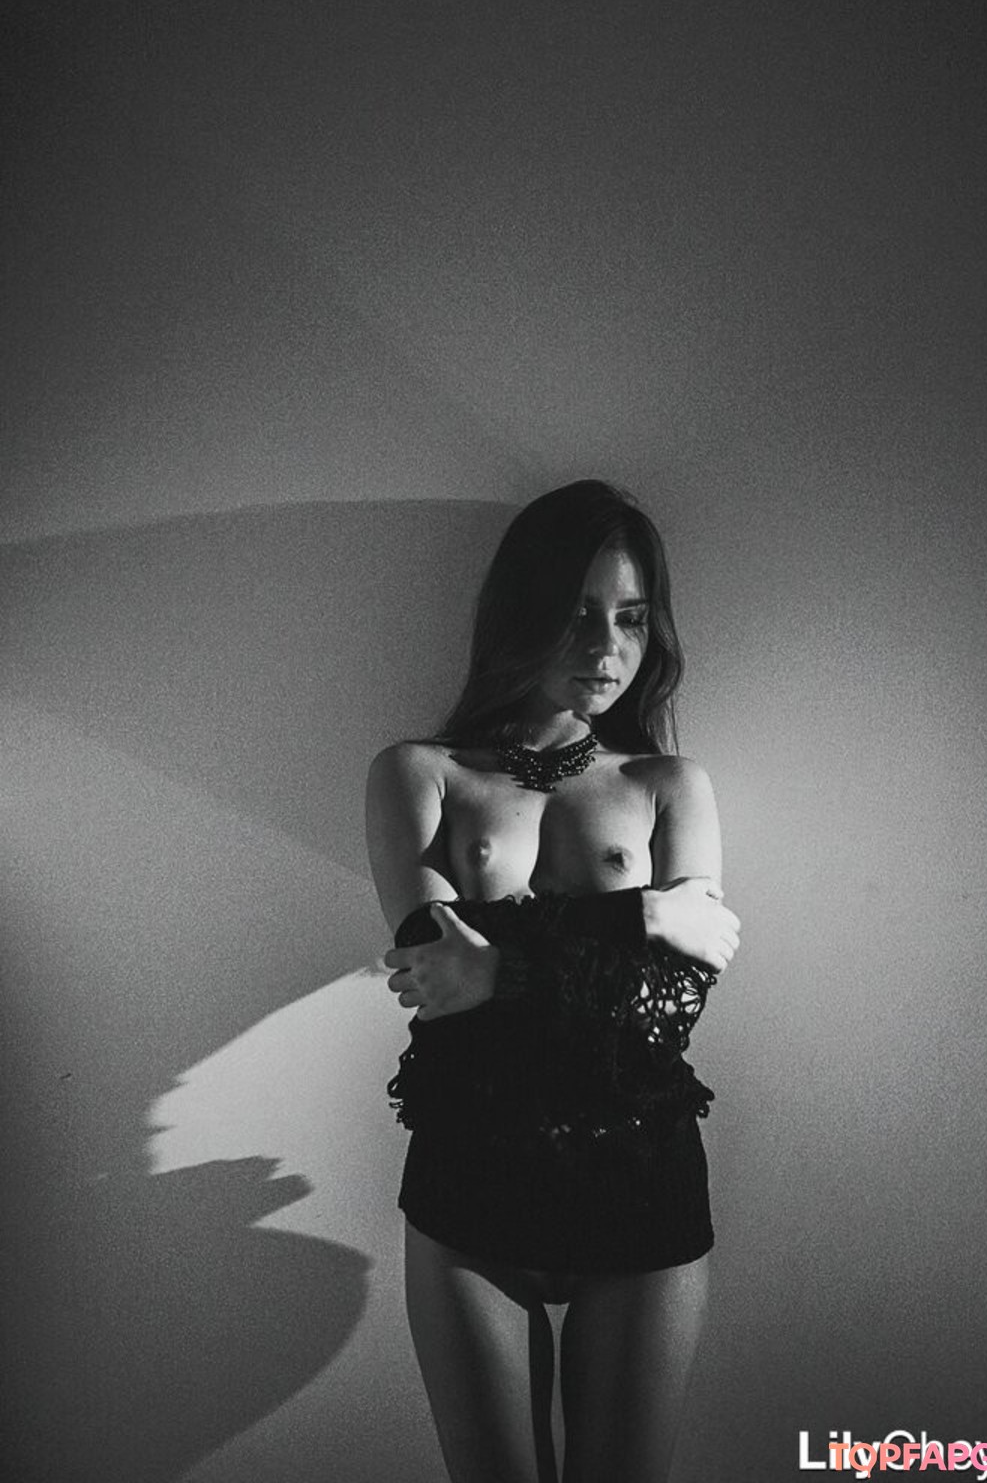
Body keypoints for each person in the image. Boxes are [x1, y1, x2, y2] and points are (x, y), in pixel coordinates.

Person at [365, 480, 741, 1483]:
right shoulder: (418, 773)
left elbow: (667, 1009)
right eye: (579, 615)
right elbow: (435, 969)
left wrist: (506, 965)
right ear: (521, 613)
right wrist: (644, 915)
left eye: (631, 618)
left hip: (640, 1181)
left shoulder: (669, 785)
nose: (608, 647)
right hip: (471, 1185)